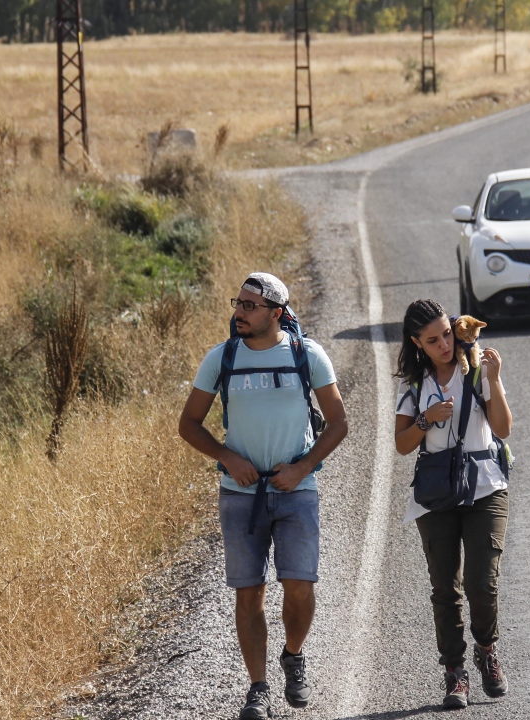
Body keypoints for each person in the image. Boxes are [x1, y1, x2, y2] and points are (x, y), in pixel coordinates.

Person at [178, 272, 348, 720]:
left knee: (299, 587)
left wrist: (302, 468)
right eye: (238, 303)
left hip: (297, 491)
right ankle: (258, 688)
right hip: (240, 495)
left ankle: (293, 655)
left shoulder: (306, 355)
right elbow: (189, 424)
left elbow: (338, 423)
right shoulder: (221, 358)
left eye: (250, 306)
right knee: (248, 594)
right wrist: (226, 456)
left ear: (276, 313)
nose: (239, 312)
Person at [392, 299, 513, 710]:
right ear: (417, 343)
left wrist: (493, 380)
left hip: (485, 488)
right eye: (434, 339)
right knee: (445, 588)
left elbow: (503, 428)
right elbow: (403, 444)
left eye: (447, 333)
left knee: (482, 583)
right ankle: (455, 673)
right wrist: (426, 418)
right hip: (437, 493)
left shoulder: (475, 368)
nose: (445, 343)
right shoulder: (413, 385)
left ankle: (486, 649)